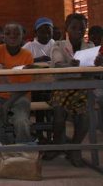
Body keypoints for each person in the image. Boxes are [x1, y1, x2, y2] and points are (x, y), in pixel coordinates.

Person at [45, 13, 94, 166]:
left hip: (82, 88)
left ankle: (75, 148)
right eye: (74, 27)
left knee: (84, 117)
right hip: (62, 87)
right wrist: (71, 65)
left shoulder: (90, 46)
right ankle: (57, 143)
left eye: (82, 29)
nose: (78, 31)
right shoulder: (58, 45)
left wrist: (98, 62)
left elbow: (93, 67)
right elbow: (59, 64)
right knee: (59, 113)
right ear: (67, 28)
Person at [0, 23, 34, 145]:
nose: (12, 37)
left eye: (17, 34)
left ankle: (23, 149)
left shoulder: (27, 55)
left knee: (22, 121)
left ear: (23, 37)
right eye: (8, 33)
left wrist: (7, 104)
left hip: (20, 96)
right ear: (3, 37)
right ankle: (8, 147)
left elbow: (26, 87)